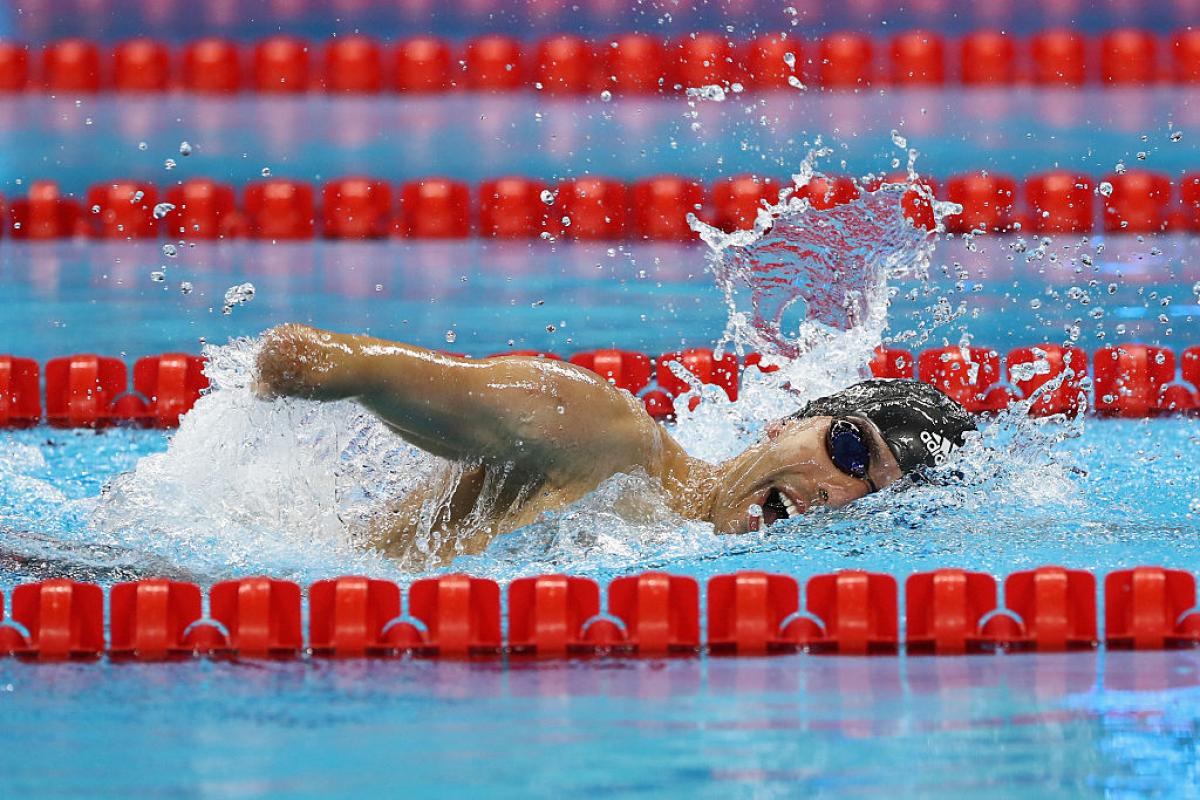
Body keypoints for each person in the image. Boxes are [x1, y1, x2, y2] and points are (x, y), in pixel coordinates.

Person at [255, 323, 976, 564]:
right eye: (851, 451)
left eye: (870, 496)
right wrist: (309, 373)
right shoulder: (605, 436)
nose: (837, 493)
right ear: (785, 422)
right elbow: (318, 360)